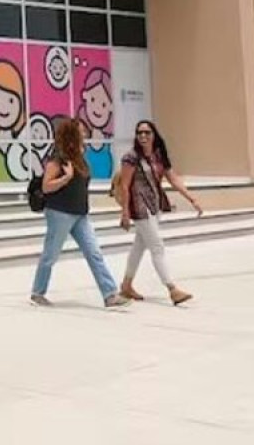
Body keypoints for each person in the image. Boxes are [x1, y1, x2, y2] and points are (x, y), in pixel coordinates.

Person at [30, 118, 130, 308]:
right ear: (71, 134)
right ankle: (37, 292)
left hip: (80, 214)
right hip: (60, 213)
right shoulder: (58, 158)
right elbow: (46, 186)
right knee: (50, 255)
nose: (84, 133)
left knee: (94, 253)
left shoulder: (80, 156)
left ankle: (110, 294)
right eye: (81, 131)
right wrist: (66, 178)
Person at [118, 120, 202, 305]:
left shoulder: (158, 156)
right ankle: (172, 289)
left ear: (154, 135)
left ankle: (126, 285)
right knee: (157, 247)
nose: (143, 136)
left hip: (154, 206)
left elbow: (173, 179)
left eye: (147, 132)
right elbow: (124, 186)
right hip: (140, 208)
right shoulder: (130, 157)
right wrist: (124, 212)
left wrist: (191, 198)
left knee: (139, 247)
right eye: (139, 133)